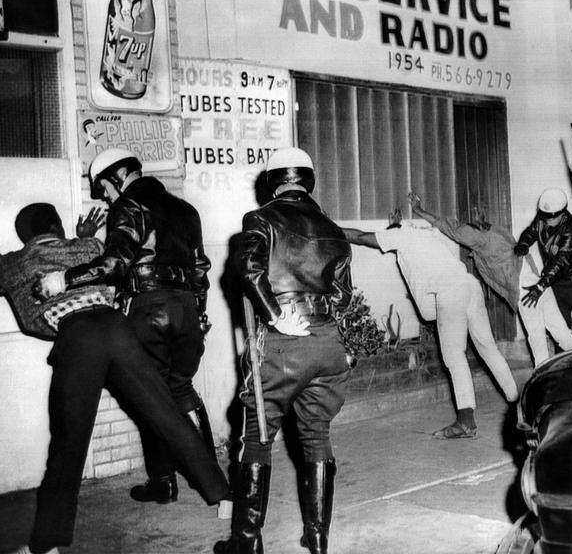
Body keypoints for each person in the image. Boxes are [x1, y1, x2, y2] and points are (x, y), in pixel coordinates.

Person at [2, 203, 228, 554]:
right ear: (58, 226)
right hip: (118, 330)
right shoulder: (88, 248)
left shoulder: (17, 261)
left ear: (26, 235)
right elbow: (96, 261)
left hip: (79, 337)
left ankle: (48, 543)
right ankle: (224, 496)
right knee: (167, 414)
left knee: (68, 444)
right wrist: (84, 237)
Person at [38, 148, 217, 506]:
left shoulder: (130, 205)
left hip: (148, 306)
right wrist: (198, 312)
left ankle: (164, 483)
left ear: (116, 178)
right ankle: (213, 477)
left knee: (147, 395)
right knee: (180, 390)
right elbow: (200, 268)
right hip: (185, 308)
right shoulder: (185, 209)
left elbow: (116, 263)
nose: (104, 195)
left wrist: (64, 279)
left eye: (103, 187)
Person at [214, 147, 354, 554]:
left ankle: (246, 542)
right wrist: (316, 319)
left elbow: (247, 268)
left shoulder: (261, 219)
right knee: (316, 435)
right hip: (326, 344)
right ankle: (317, 538)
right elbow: (343, 295)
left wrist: (276, 315)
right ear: (307, 182)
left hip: (281, 344)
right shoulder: (333, 229)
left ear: (273, 182)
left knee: (257, 439)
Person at [344, 210, 519, 439]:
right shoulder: (422, 235)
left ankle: (466, 422)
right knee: (489, 350)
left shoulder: (399, 237)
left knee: (454, 358)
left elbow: (360, 237)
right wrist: (396, 225)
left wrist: (329, 228)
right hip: (469, 285)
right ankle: (520, 406)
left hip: (451, 293)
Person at [408, 193, 572, 366]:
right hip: (538, 281)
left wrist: (419, 210)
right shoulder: (495, 232)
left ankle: (542, 378)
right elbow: (528, 233)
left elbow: (447, 227)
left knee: (537, 338)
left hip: (526, 290)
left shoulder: (478, 238)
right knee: (561, 332)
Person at [513, 188, 572, 345]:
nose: (547, 221)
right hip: (555, 283)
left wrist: (540, 286)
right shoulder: (543, 217)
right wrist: (523, 243)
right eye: (544, 217)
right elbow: (531, 232)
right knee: (562, 330)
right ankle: (565, 366)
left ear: (562, 213)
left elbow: (561, 262)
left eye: (552, 218)